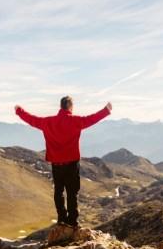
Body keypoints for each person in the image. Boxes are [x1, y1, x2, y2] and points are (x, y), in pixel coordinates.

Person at [14, 96, 112, 227]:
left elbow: (32, 120)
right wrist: (106, 110)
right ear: (70, 106)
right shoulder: (75, 121)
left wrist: (19, 110)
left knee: (58, 191)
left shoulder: (48, 122)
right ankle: (72, 221)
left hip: (56, 164)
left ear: (61, 106)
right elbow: (91, 119)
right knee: (72, 192)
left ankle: (61, 218)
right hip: (71, 164)